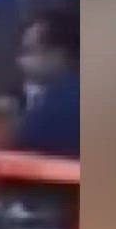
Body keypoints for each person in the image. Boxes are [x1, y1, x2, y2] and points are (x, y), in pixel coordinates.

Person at [13, 10, 80, 158]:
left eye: (29, 51)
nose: (20, 61)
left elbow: (22, 146)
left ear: (59, 53)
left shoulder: (58, 103)